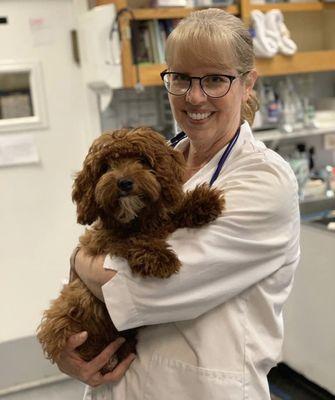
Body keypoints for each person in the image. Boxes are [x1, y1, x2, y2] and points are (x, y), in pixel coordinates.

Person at [56, 8, 300, 399]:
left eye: (216, 79)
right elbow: (99, 273)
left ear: (248, 83)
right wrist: (70, 354)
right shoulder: (159, 158)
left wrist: (78, 260)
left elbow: (149, 286)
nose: (195, 96)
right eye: (181, 78)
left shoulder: (265, 181)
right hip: (119, 386)